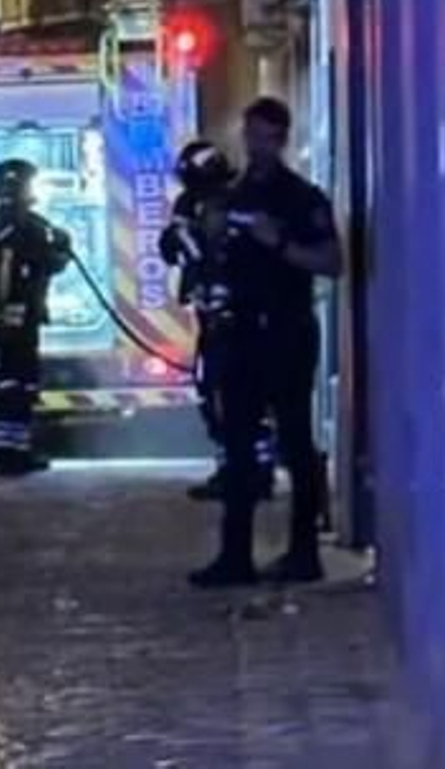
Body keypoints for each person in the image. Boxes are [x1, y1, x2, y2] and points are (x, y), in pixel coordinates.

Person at [189, 97, 342, 589]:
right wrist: (209, 235)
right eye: (250, 135)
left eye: (265, 137)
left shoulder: (302, 198)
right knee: (236, 448)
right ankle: (234, 558)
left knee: (295, 443)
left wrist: (277, 241)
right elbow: (209, 256)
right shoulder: (231, 195)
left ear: (281, 139)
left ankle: (303, 553)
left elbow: (331, 262)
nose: (256, 146)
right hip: (240, 334)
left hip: (286, 331)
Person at [158, 140, 277, 503]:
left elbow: (184, 249)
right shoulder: (216, 203)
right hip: (223, 317)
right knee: (222, 394)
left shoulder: (227, 207)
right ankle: (244, 470)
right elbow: (174, 247)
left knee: (226, 395)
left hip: (232, 319)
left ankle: (245, 474)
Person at [0, 159, 71, 476]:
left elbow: (43, 264)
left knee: (18, 386)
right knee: (7, 387)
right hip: (5, 326)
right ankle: (5, 454)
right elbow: (39, 265)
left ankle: (15, 450)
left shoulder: (12, 225)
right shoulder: (15, 228)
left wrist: (61, 250)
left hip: (14, 325)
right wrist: (61, 251)